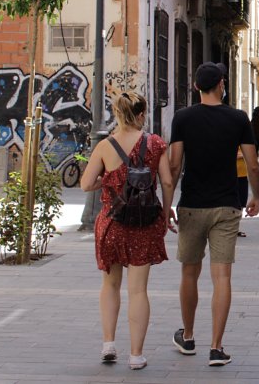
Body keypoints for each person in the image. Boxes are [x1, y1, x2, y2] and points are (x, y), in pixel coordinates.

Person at [163, 62, 259, 367]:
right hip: (226, 206)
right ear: (221, 84)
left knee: (189, 272)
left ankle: (189, 337)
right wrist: (257, 195)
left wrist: (167, 205)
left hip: (192, 204)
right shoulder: (238, 118)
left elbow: (175, 166)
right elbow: (252, 163)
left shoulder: (182, 118)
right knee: (222, 277)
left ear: (195, 87)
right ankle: (217, 347)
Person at [79, 92, 169, 370]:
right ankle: (136, 355)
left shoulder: (105, 146)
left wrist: (106, 183)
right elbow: (166, 180)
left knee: (110, 285)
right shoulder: (154, 143)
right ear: (141, 114)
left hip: (112, 222)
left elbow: (85, 184)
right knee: (138, 291)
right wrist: (166, 213)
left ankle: (108, 344)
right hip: (144, 224)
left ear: (118, 114)